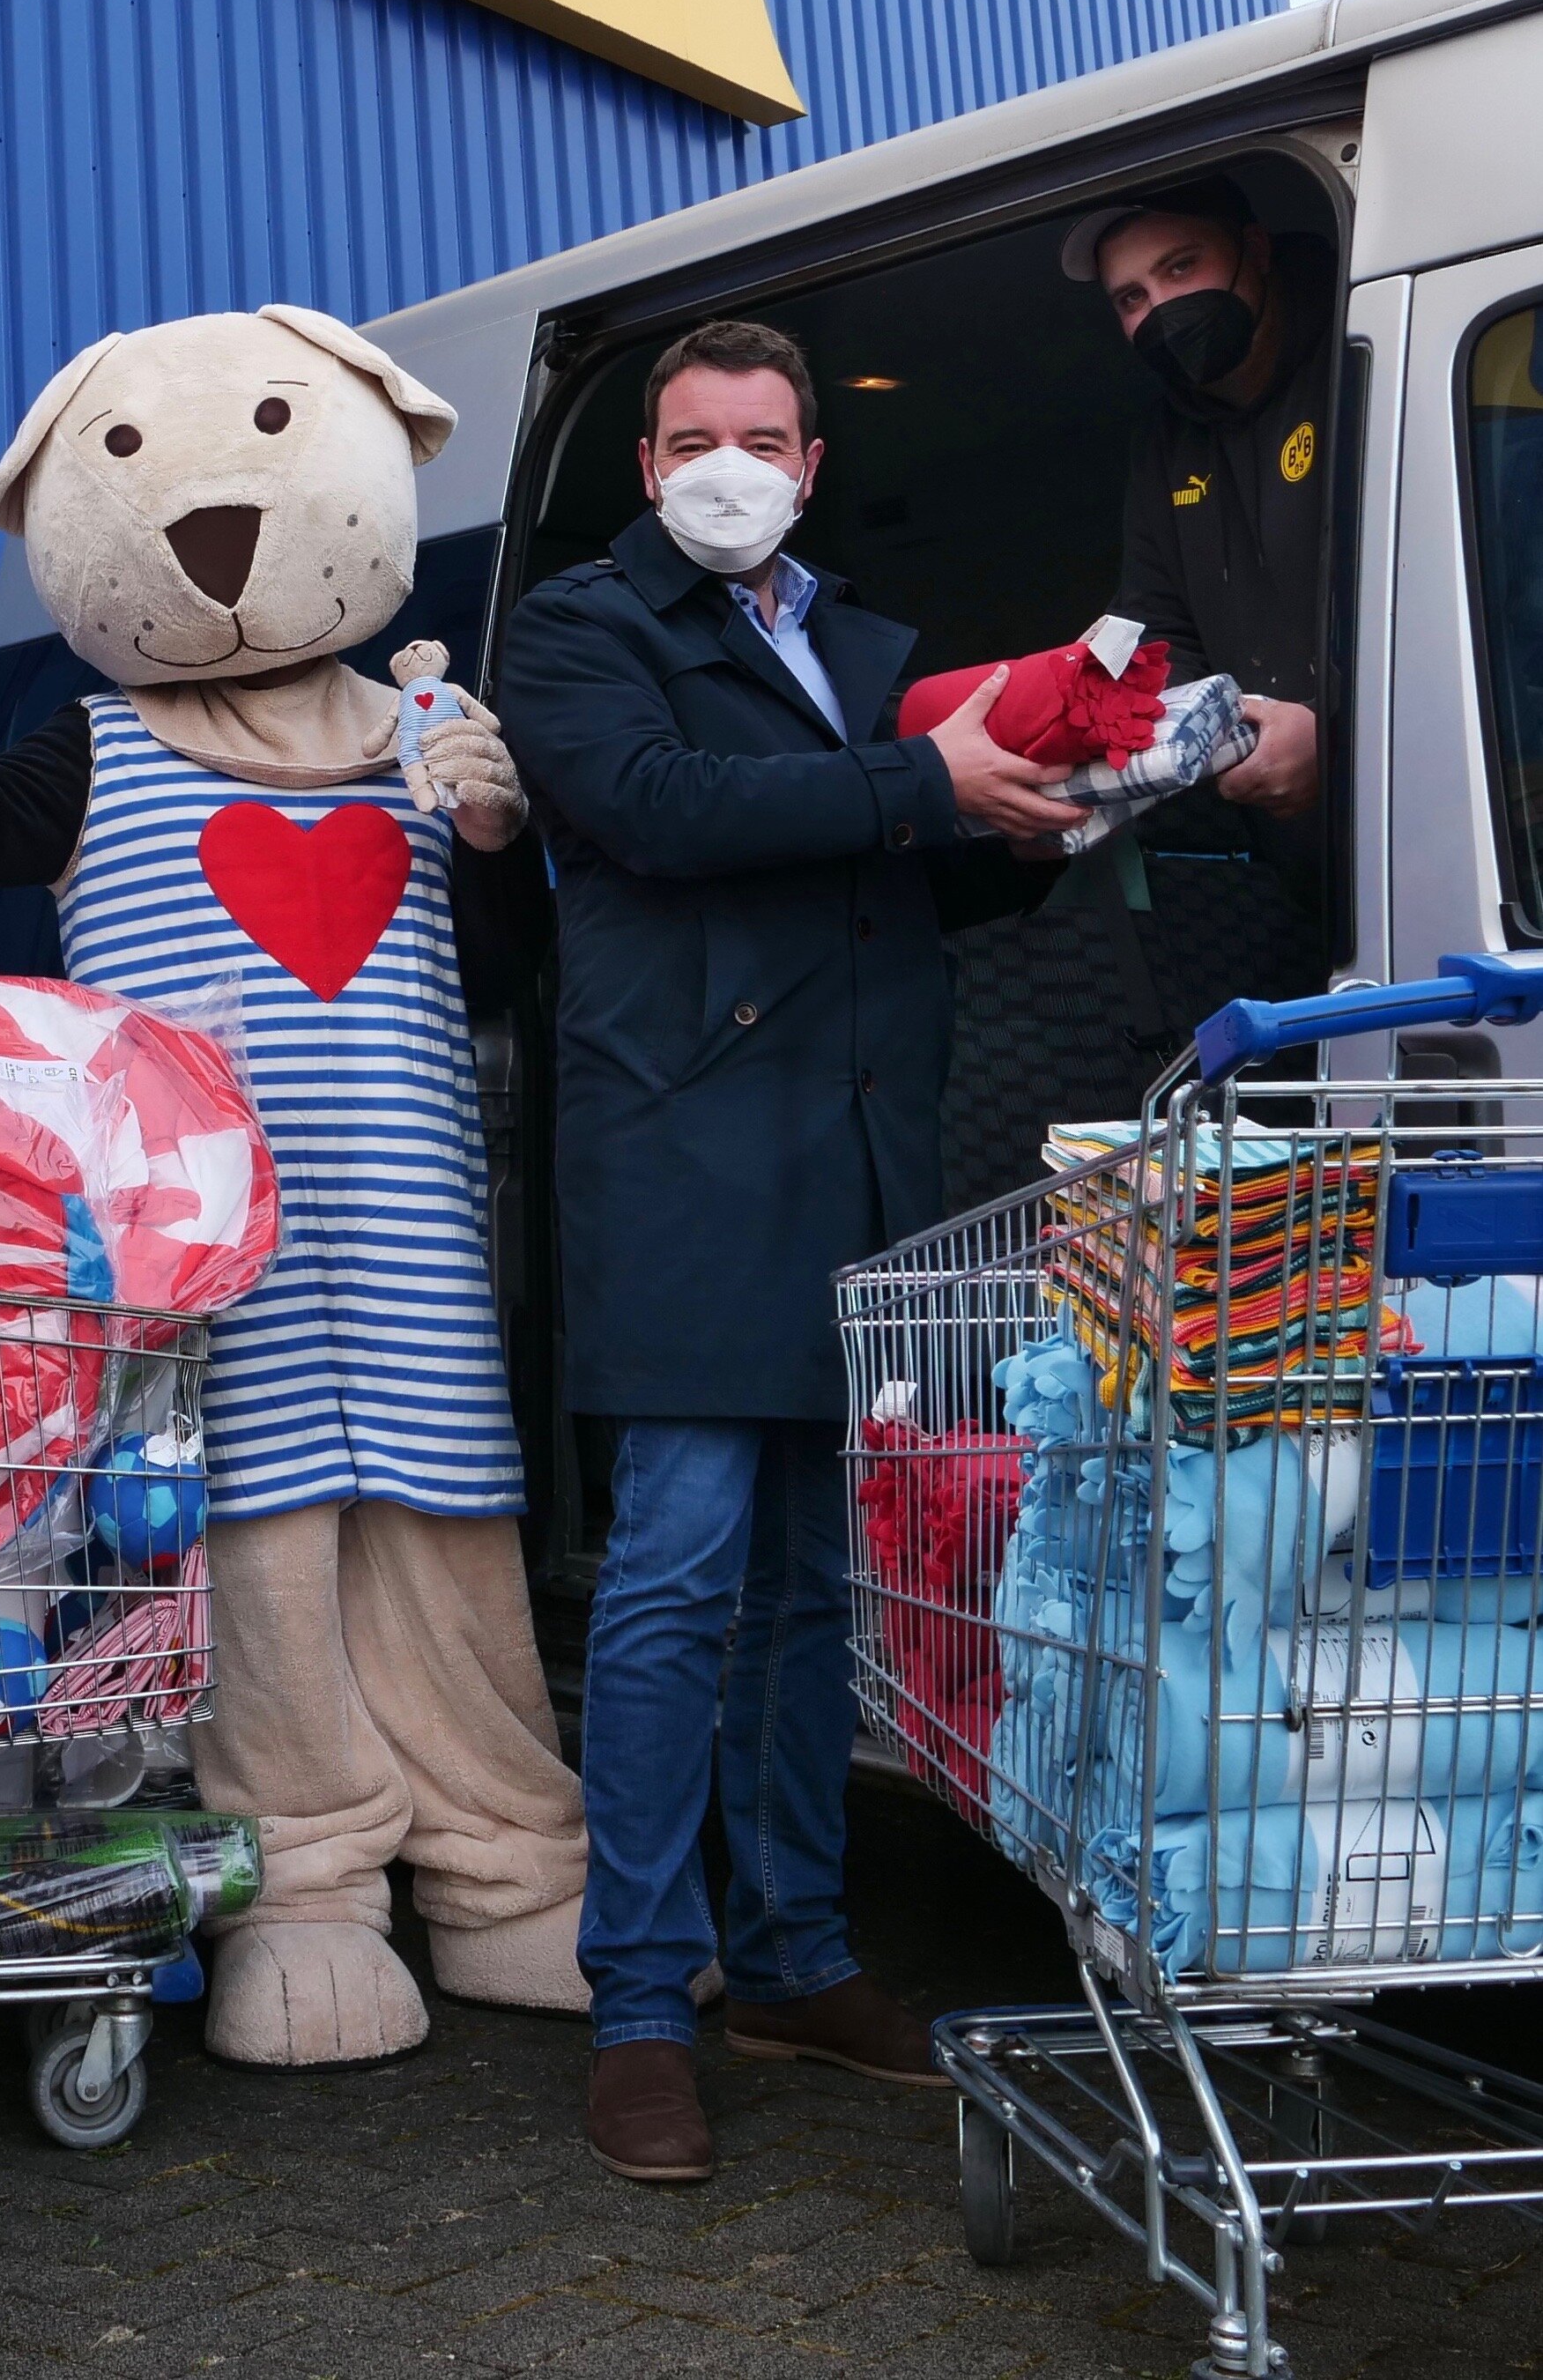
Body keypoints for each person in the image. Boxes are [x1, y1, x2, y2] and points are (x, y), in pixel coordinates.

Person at [492, 321, 1066, 2185]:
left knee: (820, 1587)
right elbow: (656, 809)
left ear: (808, 461)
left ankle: (796, 1958)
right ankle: (641, 2000)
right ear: (645, 466)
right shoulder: (579, 631)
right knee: (669, 1582)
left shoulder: (853, 642)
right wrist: (922, 786)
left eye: (759, 435)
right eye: (687, 438)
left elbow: (902, 869)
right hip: (682, 1156)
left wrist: (1049, 810)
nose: (724, 463)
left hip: (851, 1154)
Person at [1065, 174, 1331, 858]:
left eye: (1180, 267)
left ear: (1255, 249)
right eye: (1131, 298)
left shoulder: (1367, 356)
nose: (1161, 309)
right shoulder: (1162, 441)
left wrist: (1338, 733)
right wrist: (1083, 694)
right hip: (1298, 856)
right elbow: (1154, 626)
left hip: (1463, 809)